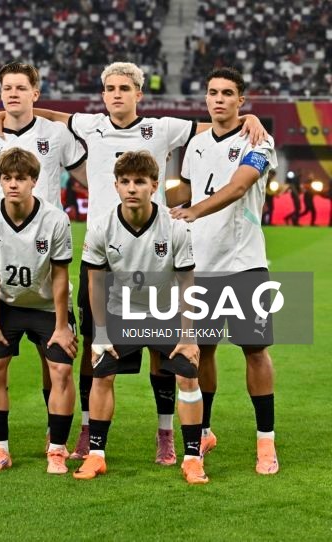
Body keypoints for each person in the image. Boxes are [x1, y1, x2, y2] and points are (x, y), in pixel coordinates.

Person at [0, 61, 266, 463]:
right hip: (103, 253)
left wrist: (249, 118)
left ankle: (165, 434)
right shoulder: (89, 124)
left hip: (155, 253)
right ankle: (85, 430)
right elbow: (48, 114)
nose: (116, 94)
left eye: (124, 88)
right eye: (110, 88)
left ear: (138, 94)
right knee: (96, 349)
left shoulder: (164, 127)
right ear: (103, 94)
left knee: (160, 352)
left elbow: (215, 127)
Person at [0, 61, 86, 457]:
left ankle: (58, 440)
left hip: (46, 248)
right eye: (6, 89)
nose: (12, 94)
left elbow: (87, 172)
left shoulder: (56, 134)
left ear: (36, 91)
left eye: (21, 87)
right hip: (3, 249)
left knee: (54, 362)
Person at [74, 150, 207, 484]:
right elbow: (96, 281)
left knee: (188, 375)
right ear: (116, 186)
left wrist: (188, 335)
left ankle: (192, 458)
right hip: (123, 313)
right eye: (125, 182)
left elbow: (187, 281)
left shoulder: (174, 229)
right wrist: (101, 333)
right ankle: (96, 456)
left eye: (140, 182)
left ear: (154, 185)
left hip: (167, 313)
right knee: (101, 374)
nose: (132, 188)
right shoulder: (102, 227)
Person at [170, 67, 279, 475]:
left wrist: (193, 211)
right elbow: (186, 190)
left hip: (244, 263)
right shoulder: (196, 144)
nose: (218, 99)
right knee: (204, 351)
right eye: (213, 92)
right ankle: (205, 430)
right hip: (201, 264)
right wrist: (155, 203)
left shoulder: (259, 140)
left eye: (227, 93)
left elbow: (237, 187)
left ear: (241, 101)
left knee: (255, 350)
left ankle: (265, 442)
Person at [0, 148, 78, 474]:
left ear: (34, 181)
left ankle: (57, 450)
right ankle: (0, 450)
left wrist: (62, 326)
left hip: (48, 306)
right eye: (7, 178)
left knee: (60, 370)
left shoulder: (55, 220)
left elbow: (60, 276)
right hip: (6, 306)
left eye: (21, 178)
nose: (13, 184)